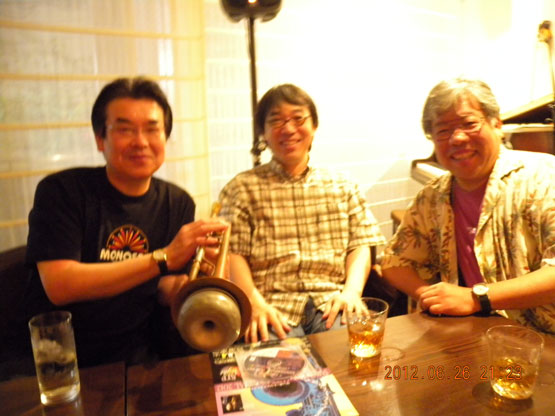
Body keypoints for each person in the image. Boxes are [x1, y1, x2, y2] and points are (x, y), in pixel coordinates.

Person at [24, 76, 228, 367]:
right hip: (62, 356)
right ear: (100, 139)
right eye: (125, 129)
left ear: (165, 138)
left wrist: (197, 284)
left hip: (139, 354)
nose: (141, 142)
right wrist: (163, 257)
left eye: (152, 129)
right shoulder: (62, 191)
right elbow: (60, 285)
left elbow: (162, 287)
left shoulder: (177, 202)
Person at [381, 77, 555, 334]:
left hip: (540, 338)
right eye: (443, 131)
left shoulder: (544, 176)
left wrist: (475, 298)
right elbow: (393, 262)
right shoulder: (433, 195)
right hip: (468, 332)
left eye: (469, 124)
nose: (458, 138)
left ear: (497, 124)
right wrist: (432, 297)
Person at [219, 83, 386, 343]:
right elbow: (233, 253)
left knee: (352, 355)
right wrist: (253, 302)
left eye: (298, 118)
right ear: (263, 132)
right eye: (276, 120)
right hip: (271, 307)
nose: (288, 129)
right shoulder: (241, 188)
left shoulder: (342, 184)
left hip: (332, 302)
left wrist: (352, 292)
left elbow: (361, 243)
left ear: (314, 126)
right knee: (272, 364)